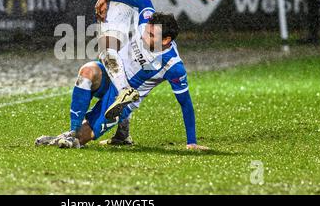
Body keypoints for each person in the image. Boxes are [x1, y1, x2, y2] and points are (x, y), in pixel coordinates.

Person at [76, 0, 215, 124]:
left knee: (108, 52)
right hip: (143, 4)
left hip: (119, 1)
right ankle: (123, 132)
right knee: (125, 61)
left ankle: (124, 92)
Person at [36, 12, 209, 150]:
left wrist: (191, 142)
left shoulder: (173, 66)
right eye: (146, 31)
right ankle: (73, 130)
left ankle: (71, 137)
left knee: (81, 139)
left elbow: (185, 103)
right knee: (88, 70)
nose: (143, 37)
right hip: (112, 76)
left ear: (166, 40)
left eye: (150, 35)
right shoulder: (146, 18)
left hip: (123, 99)